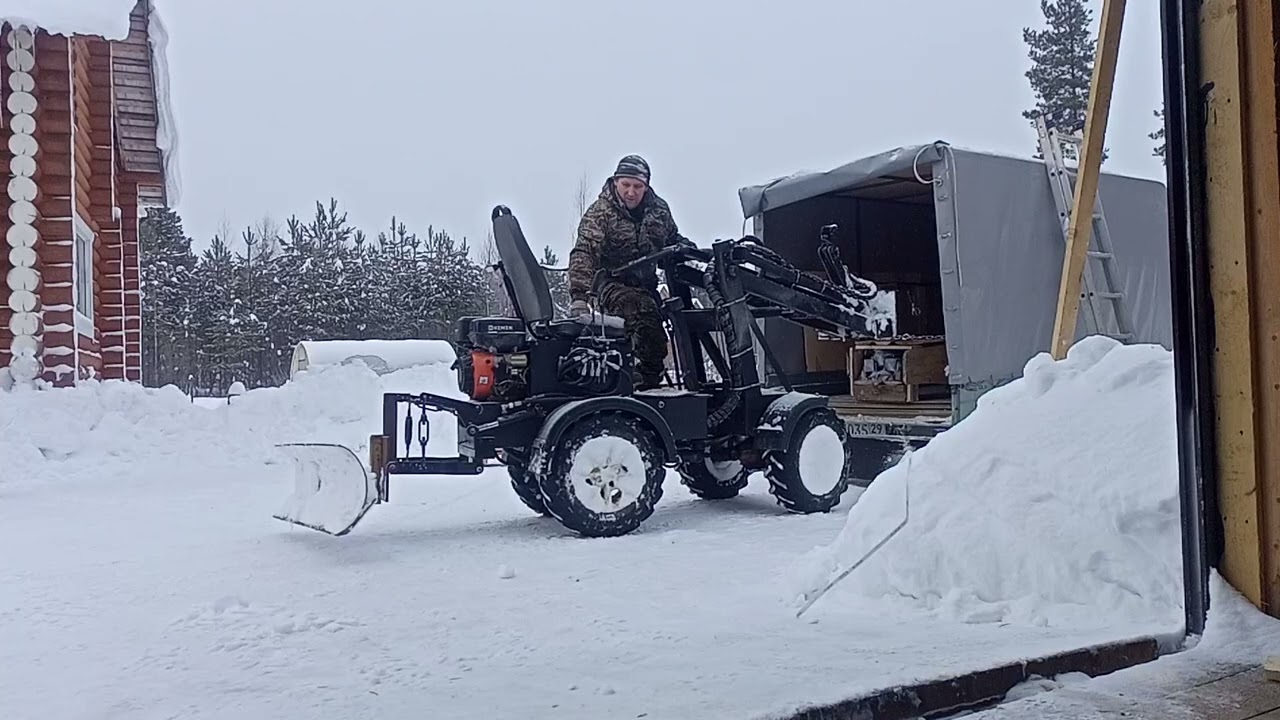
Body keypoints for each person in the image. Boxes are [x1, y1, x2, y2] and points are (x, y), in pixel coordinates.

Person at [567, 154, 690, 389]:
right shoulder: (600, 213)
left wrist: (689, 250)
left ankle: (650, 381)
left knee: (670, 323)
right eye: (626, 185)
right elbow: (584, 252)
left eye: (637, 186)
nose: (631, 192)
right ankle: (636, 385)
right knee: (641, 314)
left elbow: (672, 240)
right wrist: (579, 298)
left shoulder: (659, 211)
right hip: (612, 285)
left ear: (646, 187)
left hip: (648, 287)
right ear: (615, 182)